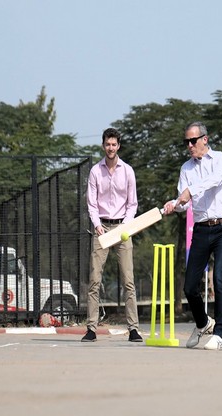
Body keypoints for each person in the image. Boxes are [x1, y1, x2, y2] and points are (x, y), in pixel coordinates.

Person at [163, 121, 222, 350]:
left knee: (219, 279)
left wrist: (189, 192)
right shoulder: (186, 168)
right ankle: (203, 323)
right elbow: (184, 203)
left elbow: (214, 182)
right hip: (202, 229)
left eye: (193, 140)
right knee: (189, 286)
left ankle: (220, 334)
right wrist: (173, 204)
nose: (190, 145)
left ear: (205, 139)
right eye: (186, 142)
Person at [82, 127, 143, 343]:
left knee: (129, 280)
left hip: (123, 228)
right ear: (103, 145)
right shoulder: (95, 172)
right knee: (94, 280)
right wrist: (97, 224)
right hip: (101, 229)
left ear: (119, 146)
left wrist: (125, 227)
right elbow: (91, 203)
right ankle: (91, 328)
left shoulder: (127, 171)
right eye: (107, 144)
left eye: (114, 144)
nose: (110, 148)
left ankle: (133, 329)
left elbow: (132, 203)